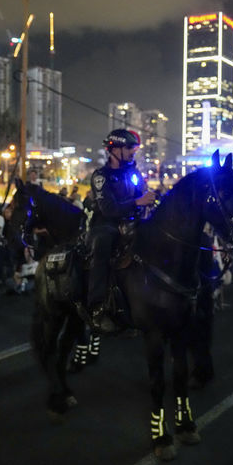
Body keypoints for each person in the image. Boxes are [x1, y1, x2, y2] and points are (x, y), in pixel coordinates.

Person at [85, 129, 156, 332]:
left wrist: (151, 199)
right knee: (103, 244)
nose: (133, 153)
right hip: (105, 224)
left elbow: (143, 194)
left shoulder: (133, 172)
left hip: (132, 221)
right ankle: (97, 306)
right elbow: (108, 209)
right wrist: (138, 202)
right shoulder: (101, 176)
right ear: (114, 149)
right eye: (129, 149)